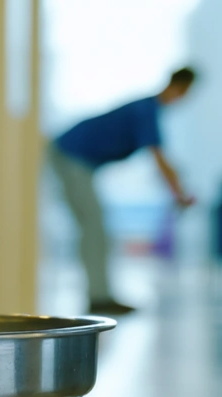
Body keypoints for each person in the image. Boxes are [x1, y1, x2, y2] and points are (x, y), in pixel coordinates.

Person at [50, 67, 198, 315]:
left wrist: (175, 186)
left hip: (77, 161)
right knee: (94, 227)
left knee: (94, 227)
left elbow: (159, 163)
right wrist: (179, 193)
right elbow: (159, 159)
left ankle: (100, 294)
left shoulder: (148, 109)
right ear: (180, 89)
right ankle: (98, 297)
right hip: (70, 157)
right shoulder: (146, 110)